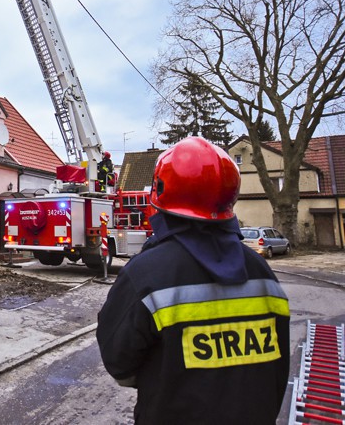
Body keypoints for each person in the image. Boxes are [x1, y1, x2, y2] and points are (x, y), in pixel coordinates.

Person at [96, 136, 290, 424]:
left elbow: (120, 365)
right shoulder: (263, 274)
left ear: (161, 191)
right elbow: (277, 370)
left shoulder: (144, 275)